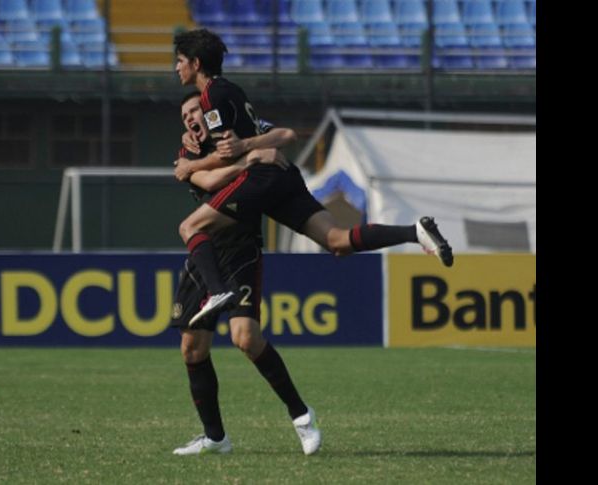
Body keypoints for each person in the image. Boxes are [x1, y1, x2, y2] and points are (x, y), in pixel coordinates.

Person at [172, 28, 454, 326]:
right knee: (337, 240)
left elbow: (228, 152)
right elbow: (265, 136)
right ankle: (416, 232)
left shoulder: (210, 95)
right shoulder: (232, 92)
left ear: (196, 63)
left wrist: (192, 166)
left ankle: (217, 292)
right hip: (283, 175)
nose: (177, 67)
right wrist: (241, 146)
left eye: (180, 60)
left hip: (260, 179)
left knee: (190, 226)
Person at [171, 91, 322, 456]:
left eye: (196, 110)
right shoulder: (188, 155)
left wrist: (257, 148)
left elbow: (283, 137)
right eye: (185, 115)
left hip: (240, 247)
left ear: (209, 113)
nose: (191, 118)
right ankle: (215, 438)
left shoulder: (235, 133)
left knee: (246, 338)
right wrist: (250, 161)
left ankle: (302, 416)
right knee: (192, 349)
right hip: (205, 250)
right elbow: (207, 183)